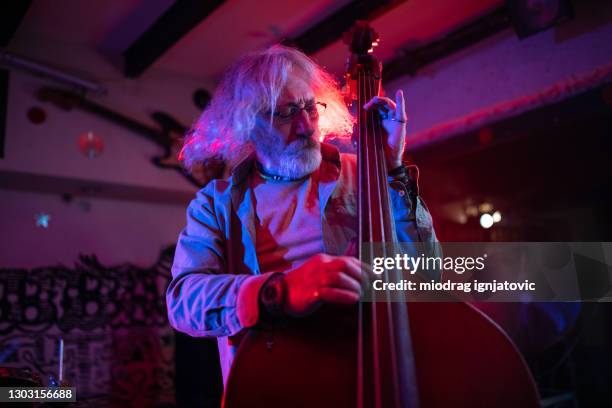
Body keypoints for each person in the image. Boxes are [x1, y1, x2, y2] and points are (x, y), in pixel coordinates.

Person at [166, 45, 440, 384]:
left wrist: (393, 170)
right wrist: (280, 290)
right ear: (249, 125)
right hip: (269, 390)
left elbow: (429, 272)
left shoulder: (366, 174)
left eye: (310, 106)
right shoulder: (214, 205)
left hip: (366, 372)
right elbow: (183, 303)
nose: (307, 125)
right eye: (286, 113)